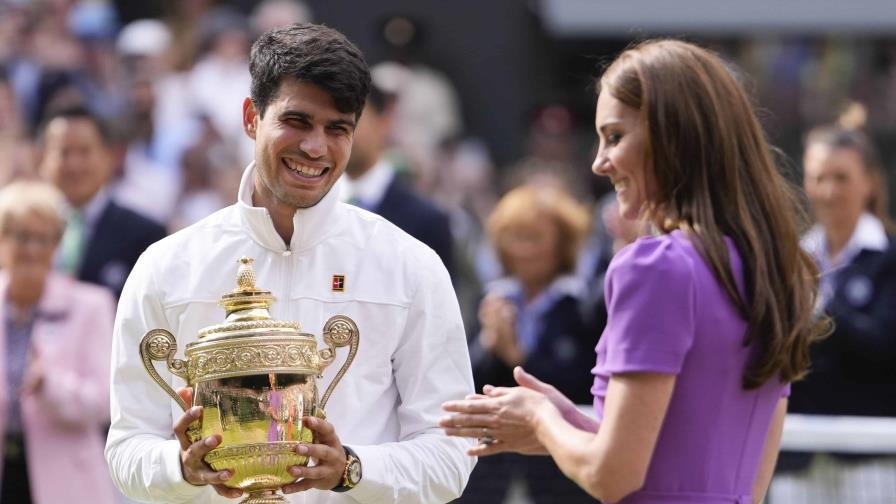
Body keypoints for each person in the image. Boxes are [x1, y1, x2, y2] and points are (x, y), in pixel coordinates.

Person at [441, 39, 827, 504]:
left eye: (615, 136)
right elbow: (722, 470)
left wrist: (542, 418)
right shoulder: (769, 265)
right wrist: (565, 425)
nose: (599, 162)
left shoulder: (656, 267)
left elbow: (613, 476)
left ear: (673, 137)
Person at [105, 23, 476, 504]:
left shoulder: (409, 266)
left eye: (337, 128)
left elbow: (451, 455)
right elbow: (126, 448)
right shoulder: (167, 266)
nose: (315, 147)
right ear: (251, 118)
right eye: (297, 121)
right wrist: (180, 467)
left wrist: (351, 468)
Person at [771, 105, 896, 503]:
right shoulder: (791, 259)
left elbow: (884, 345)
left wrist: (820, 310)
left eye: (841, 177)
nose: (828, 191)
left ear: (870, 183)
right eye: (819, 177)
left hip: (870, 458)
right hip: (797, 455)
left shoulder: (890, 258)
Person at [459, 184, 597, 504]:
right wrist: (490, 343)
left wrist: (520, 357)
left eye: (534, 238)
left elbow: (584, 385)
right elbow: (468, 382)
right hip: (493, 471)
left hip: (560, 471)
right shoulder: (493, 298)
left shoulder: (583, 305)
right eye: (514, 237)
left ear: (562, 243)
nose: (523, 249)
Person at [0, 180, 117, 504]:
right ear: (2, 238)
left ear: (57, 244)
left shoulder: (91, 305)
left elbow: (105, 402)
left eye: (44, 238)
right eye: (22, 236)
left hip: (65, 483)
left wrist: (49, 386)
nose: (32, 249)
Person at [37, 106, 168, 298]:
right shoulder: (22, 231)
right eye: (64, 152)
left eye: (84, 151)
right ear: (42, 159)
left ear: (109, 157)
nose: (74, 164)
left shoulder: (145, 236)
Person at [341, 80, 455, 277]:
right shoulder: (308, 206)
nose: (340, 131)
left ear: (384, 121)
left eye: (353, 119)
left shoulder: (427, 219)